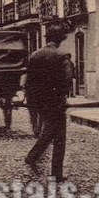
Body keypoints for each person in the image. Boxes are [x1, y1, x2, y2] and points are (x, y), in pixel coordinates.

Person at [24, 24, 71, 180]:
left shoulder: (35, 55)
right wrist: (63, 96)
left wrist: (32, 100)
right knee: (59, 137)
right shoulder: (61, 56)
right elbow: (66, 80)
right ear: (58, 40)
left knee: (49, 130)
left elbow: (29, 81)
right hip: (55, 101)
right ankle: (56, 173)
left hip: (39, 101)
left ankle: (32, 156)